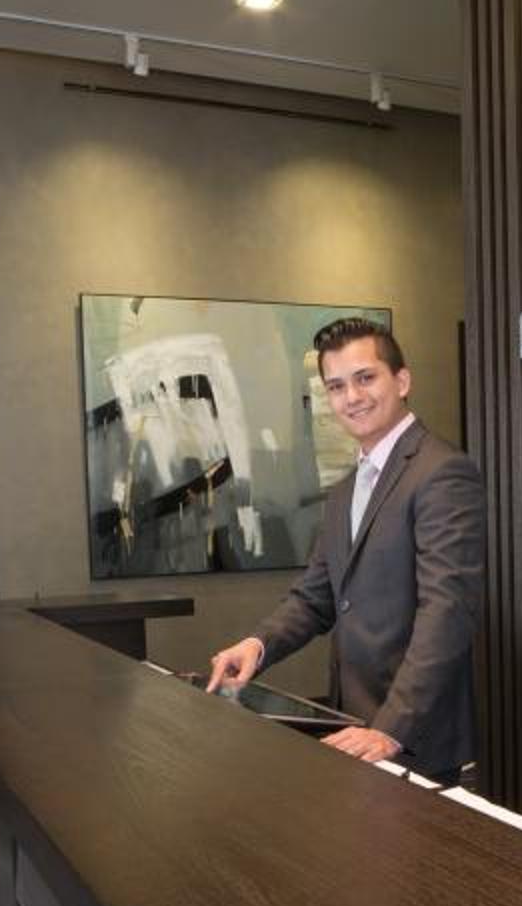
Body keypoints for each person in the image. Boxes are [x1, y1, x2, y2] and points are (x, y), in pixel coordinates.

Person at [205, 317, 485, 782]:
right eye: (336, 386)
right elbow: (315, 596)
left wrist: (391, 729)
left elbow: (448, 610)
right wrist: (257, 645)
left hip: (413, 737)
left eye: (365, 378)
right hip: (352, 726)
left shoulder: (442, 472)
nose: (351, 397)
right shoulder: (345, 490)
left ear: (402, 381)